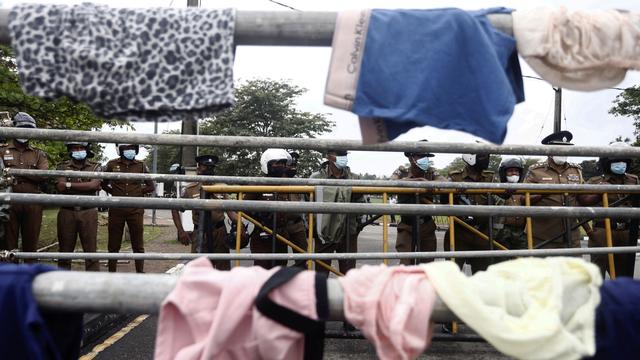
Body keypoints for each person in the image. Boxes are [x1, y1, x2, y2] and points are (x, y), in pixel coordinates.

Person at [170, 154, 244, 270]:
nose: (209, 169)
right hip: (200, 233)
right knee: (199, 270)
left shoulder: (221, 187)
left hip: (219, 233)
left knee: (223, 269)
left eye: (211, 167)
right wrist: (181, 231)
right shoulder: (191, 189)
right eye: (205, 166)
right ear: (199, 168)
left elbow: (230, 213)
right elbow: (174, 208)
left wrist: (241, 225)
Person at [578, 142, 638, 278]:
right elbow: (580, 203)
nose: (621, 164)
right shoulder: (595, 181)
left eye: (624, 161)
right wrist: (588, 230)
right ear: (606, 163)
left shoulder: (633, 181)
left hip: (626, 233)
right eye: (616, 161)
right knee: (597, 277)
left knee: (624, 277)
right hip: (602, 232)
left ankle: (620, 299)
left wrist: (636, 230)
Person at [244, 149, 308, 269]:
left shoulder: (286, 184)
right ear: (267, 164)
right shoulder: (257, 184)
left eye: (283, 164)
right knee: (262, 269)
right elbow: (243, 207)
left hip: (281, 234)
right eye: (277, 163)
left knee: (280, 268)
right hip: (262, 234)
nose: (281, 166)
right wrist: (258, 214)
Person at [523, 131, 584, 249]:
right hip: (543, 235)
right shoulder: (536, 171)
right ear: (549, 150)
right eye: (559, 148)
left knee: (573, 267)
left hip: (571, 235)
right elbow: (523, 199)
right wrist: (543, 193)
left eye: (566, 149)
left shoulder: (576, 170)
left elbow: (581, 198)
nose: (563, 152)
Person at [390, 141, 447, 265]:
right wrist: (417, 181)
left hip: (426, 225)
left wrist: (426, 183)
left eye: (426, 156)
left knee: (427, 265)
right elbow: (391, 182)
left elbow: (444, 182)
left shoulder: (431, 172)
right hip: (407, 225)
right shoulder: (402, 170)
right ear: (411, 158)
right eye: (421, 156)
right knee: (405, 264)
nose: (425, 159)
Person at [1, 112, 48, 257]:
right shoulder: (2, 151)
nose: (24, 132)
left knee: (31, 243)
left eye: (28, 129)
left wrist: (12, 172)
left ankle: (30, 274)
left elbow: (43, 175)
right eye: (22, 128)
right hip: (9, 201)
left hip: (33, 201)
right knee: (8, 244)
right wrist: (30, 173)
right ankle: (11, 276)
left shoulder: (39, 154)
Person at [102, 143, 155, 273]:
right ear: (121, 150)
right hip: (116, 209)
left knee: (138, 243)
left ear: (135, 150)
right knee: (113, 243)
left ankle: (140, 272)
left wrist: (137, 192)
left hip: (135, 210)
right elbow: (103, 183)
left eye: (132, 149)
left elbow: (151, 186)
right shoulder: (111, 164)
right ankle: (111, 273)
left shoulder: (141, 165)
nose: (129, 151)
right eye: (126, 149)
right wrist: (114, 192)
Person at [310, 149, 364, 274]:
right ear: (328, 156)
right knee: (321, 272)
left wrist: (357, 226)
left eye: (344, 154)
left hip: (348, 232)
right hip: (323, 234)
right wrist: (313, 227)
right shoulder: (316, 177)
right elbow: (307, 204)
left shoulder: (355, 178)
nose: (343, 157)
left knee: (348, 273)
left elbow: (362, 203)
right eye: (339, 154)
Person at [443, 150, 496, 273]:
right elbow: (443, 201)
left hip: (483, 234)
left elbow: (502, 197)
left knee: (482, 277)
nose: (486, 160)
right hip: (458, 234)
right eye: (483, 156)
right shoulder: (455, 177)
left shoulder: (491, 178)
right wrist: (453, 193)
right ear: (470, 158)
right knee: (453, 275)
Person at [55, 142, 101, 271]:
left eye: (81, 148)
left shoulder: (95, 167)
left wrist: (69, 185)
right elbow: (60, 186)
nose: (79, 150)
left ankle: (93, 283)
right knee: (64, 251)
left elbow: (94, 186)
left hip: (88, 212)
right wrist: (86, 186)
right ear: (70, 150)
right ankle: (62, 283)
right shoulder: (62, 166)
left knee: (91, 250)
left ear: (86, 150)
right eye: (76, 148)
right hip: (67, 212)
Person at [495, 157, 527, 251]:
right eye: (510, 171)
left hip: (522, 231)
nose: (514, 173)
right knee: (501, 261)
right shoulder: (496, 189)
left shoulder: (526, 189)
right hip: (502, 232)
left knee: (521, 260)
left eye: (516, 171)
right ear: (503, 173)